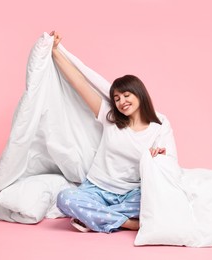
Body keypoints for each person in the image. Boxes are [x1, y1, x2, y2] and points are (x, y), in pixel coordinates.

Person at [51, 31, 168, 233]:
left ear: (139, 95)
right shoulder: (109, 118)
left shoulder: (158, 128)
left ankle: (95, 216)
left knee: (161, 198)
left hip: (131, 194)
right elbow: (79, 82)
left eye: (126, 95)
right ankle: (128, 223)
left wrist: (159, 158)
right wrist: (55, 51)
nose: (122, 101)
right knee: (65, 199)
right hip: (96, 189)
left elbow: (165, 163)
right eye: (117, 98)